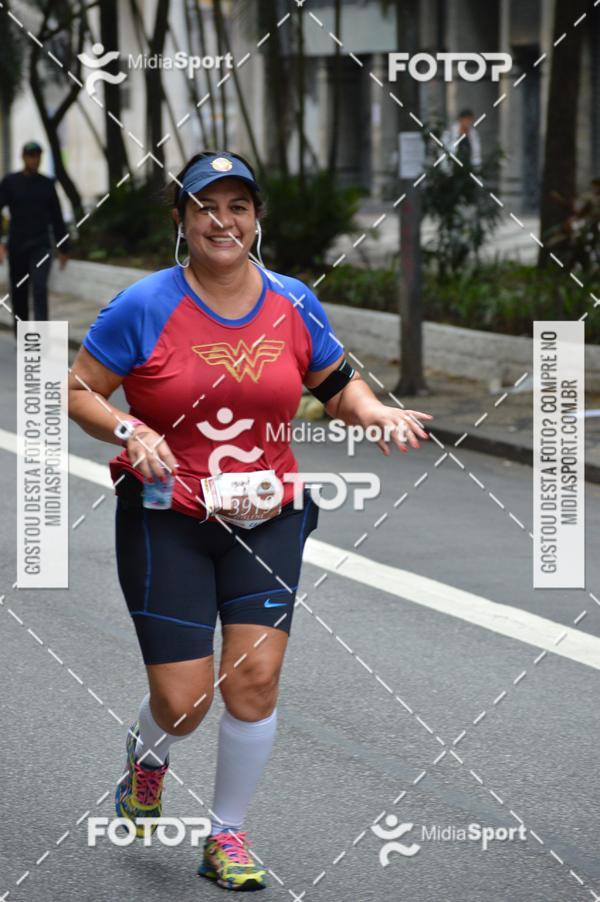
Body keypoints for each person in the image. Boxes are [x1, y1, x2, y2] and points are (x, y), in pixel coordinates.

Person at [68, 150, 433, 891]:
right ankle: (148, 758)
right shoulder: (145, 304)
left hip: (267, 518)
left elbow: (335, 383)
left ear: (256, 220)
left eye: (237, 206)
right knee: (185, 701)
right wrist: (127, 431)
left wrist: (375, 411)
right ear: (182, 220)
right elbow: (79, 390)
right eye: (206, 206)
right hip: (166, 513)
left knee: (255, 682)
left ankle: (226, 835)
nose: (222, 220)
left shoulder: (293, 301)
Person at [0, 141, 69, 335]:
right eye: (31, 156)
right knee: (19, 291)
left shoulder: (47, 184)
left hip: (41, 245)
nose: (35, 160)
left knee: (39, 288)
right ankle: (21, 335)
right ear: (23, 157)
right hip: (17, 245)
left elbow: (57, 217)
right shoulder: (10, 182)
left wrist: (64, 247)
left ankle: (41, 338)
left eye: (38, 156)